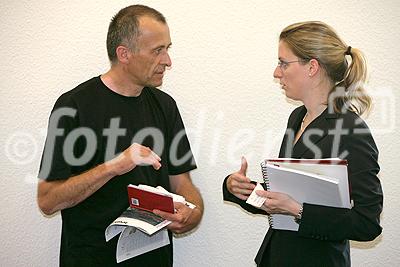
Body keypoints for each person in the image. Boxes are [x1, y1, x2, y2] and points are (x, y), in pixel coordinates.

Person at [37, 5, 203, 267]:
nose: (167, 61)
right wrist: (114, 166)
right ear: (124, 54)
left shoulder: (165, 105)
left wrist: (192, 212)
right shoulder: (73, 106)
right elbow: (47, 200)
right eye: (157, 51)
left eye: (167, 49)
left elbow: (183, 185)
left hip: (154, 259)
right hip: (90, 258)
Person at [223, 21, 383, 266]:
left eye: (283, 63)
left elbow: (367, 223)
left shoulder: (351, 130)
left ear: (312, 67)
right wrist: (240, 189)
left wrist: (298, 210)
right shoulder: (297, 117)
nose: (277, 73)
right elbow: (284, 196)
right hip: (276, 257)